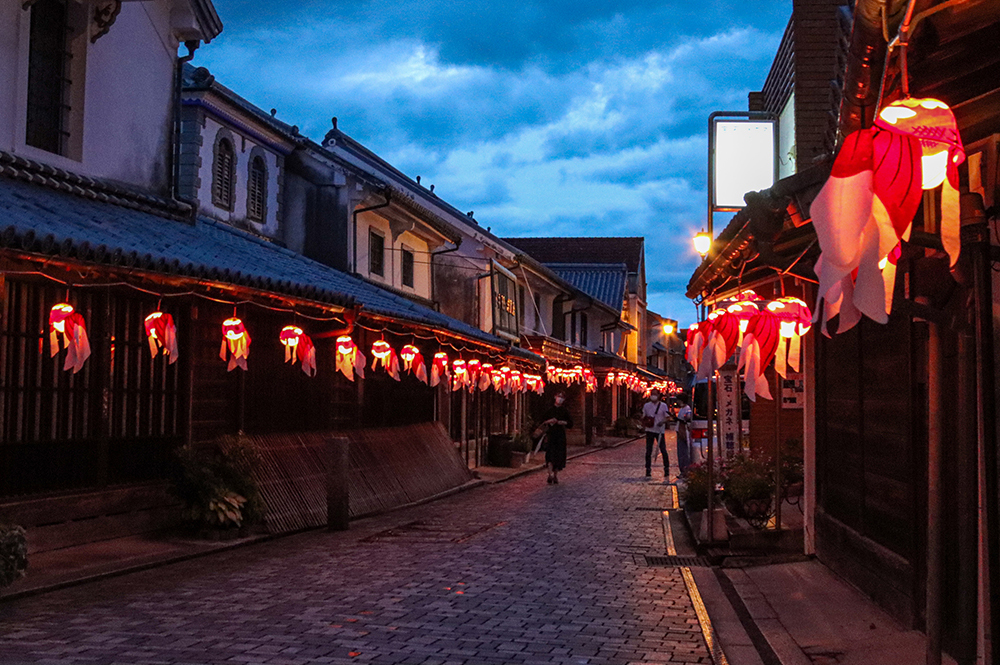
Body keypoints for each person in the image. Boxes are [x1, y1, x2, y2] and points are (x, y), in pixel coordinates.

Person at [540, 390, 573, 484]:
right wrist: (550, 421)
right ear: (555, 397)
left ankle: (555, 475)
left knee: (559, 456)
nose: (560, 399)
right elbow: (542, 421)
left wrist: (562, 422)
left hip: (560, 436)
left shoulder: (565, 411)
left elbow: (570, 423)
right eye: (559, 396)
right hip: (551, 435)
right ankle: (550, 474)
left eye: (562, 397)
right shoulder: (549, 410)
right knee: (550, 455)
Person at [642, 389, 670, 478]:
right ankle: (648, 469)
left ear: (658, 395)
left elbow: (667, 417)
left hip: (660, 431)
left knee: (663, 450)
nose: (653, 396)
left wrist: (662, 422)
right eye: (652, 394)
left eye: (655, 394)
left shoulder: (663, 406)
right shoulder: (646, 405)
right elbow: (643, 416)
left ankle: (666, 469)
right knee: (648, 451)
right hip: (649, 430)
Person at [674, 394, 693, 476]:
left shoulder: (687, 409)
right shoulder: (682, 409)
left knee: (684, 452)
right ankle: (683, 470)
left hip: (684, 432)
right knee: (681, 452)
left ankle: (685, 470)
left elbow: (687, 420)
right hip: (680, 431)